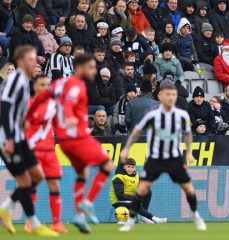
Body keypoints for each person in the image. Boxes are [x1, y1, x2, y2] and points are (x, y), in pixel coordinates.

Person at [28, 54, 115, 233]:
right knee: (107, 165)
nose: (94, 70)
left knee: (82, 172)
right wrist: (69, 119)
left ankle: (78, 215)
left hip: (63, 141)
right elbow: (68, 104)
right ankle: (87, 204)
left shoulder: (59, 84)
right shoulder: (76, 85)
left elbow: (42, 97)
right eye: (91, 67)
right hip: (77, 137)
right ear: (80, 67)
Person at [119, 80, 207, 232]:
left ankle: (195, 215)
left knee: (188, 188)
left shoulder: (181, 115)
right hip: (155, 157)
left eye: (173, 94)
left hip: (174, 158)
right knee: (143, 188)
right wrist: (126, 148)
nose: (171, 97)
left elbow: (187, 135)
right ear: (160, 96)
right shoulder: (151, 114)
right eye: (168, 94)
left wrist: (189, 152)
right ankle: (131, 221)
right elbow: (136, 132)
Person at [0, 46, 59, 237]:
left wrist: (23, 122)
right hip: (8, 138)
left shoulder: (24, 81)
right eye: (30, 59)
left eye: (35, 59)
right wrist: (9, 138)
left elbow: (17, 110)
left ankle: (5, 208)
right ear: (20, 62)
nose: (35, 62)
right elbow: (6, 109)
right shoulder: (15, 80)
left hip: (19, 136)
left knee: (37, 176)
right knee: (25, 181)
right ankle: (33, 224)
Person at [24, 75, 67, 233]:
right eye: (42, 84)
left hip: (49, 150)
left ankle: (56, 223)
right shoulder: (27, 104)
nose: (46, 88)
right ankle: (31, 222)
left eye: (48, 85)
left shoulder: (53, 105)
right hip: (33, 150)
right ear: (34, 87)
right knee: (32, 186)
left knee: (54, 185)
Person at [109, 158, 167, 224]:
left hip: (131, 199)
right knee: (134, 202)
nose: (130, 169)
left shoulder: (136, 175)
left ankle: (142, 218)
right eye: (128, 167)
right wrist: (135, 199)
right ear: (124, 167)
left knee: (148, 192)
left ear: (135, 168)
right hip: (118, 201)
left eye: (132, 167)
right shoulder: (118, 177)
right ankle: (153, 218)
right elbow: (120, 196)